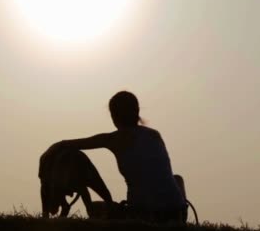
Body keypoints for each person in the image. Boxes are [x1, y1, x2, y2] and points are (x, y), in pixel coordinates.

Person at [43, 91, 186, 223]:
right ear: (137, 111)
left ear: (114, 117)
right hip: (176, 214)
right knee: (177, 178)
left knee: (95, 207)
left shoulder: (112, 139)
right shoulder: (155, 135)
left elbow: (69, 144)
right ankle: (177, 212)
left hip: (142, 215)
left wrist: (50, 152)